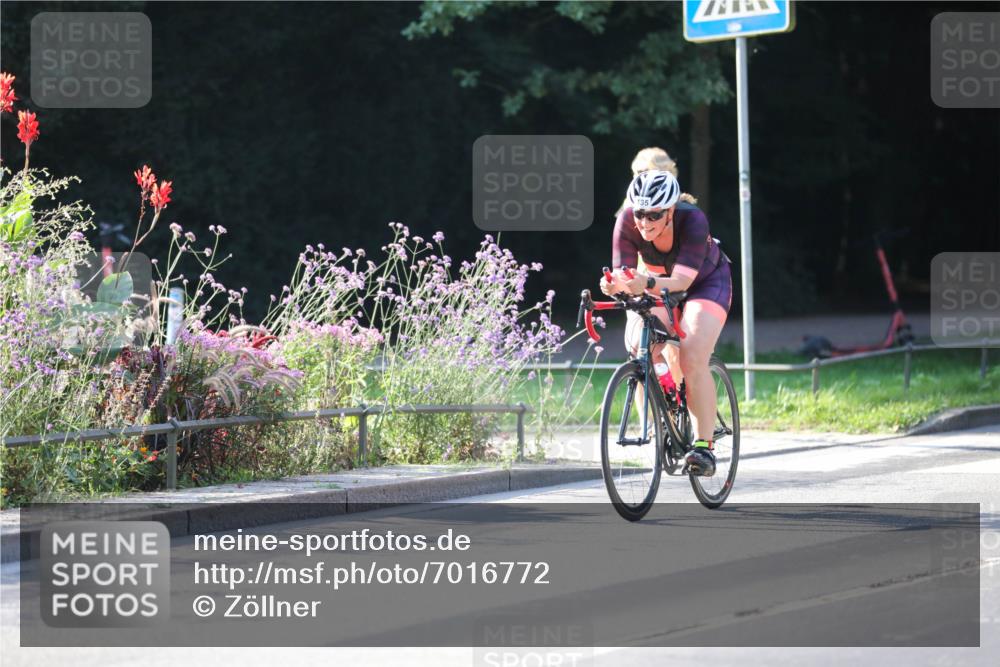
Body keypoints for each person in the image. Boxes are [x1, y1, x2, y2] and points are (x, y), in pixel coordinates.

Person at [600, 170, 732, 476]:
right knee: (639, 344)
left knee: (692, 356)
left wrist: (642, 281)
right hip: (658, 283)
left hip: (705, 283)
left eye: (654, 215)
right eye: (641, 213)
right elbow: (624, 276)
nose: (645, 223)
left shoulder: (693, 219)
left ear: (670, 211)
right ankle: (668, 396)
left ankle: (704, 446)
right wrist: (613, 285)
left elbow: (682, 280)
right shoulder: (627, 221)